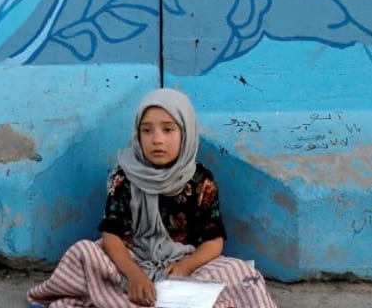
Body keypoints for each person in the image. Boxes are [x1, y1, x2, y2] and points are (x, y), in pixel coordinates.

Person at [29, 88, 276, 308]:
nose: (157, 139)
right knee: (83, 252)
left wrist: (184, 268)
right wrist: (134, 275)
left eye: (168, 129)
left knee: (239, 271)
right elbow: (112, 235)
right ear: (138, 134)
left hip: (184, 263)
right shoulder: (125, 177)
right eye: (147, 130)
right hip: (131, 260)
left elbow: (213, 242)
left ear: (186, 132)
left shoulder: (201, 181)